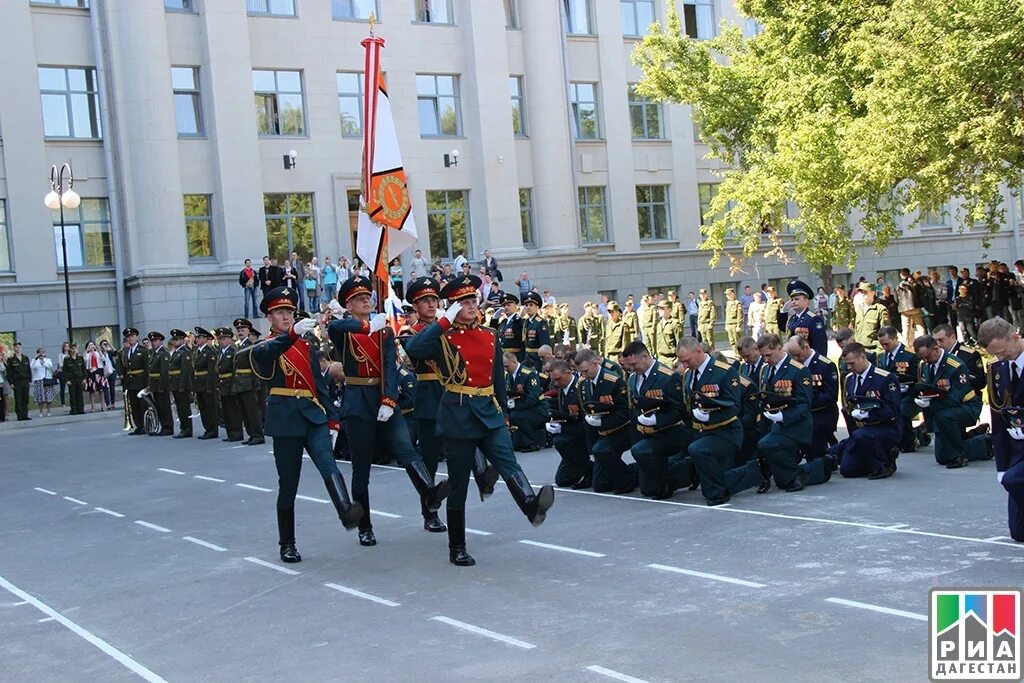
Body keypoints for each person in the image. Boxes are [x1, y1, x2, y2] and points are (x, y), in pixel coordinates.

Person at [405, 274, 555, 566]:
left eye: (473, 299)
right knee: (460, 482)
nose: (472, 305)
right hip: (458, 411)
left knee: (507, 460)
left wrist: (505, 414)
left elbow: (498, 378)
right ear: (452, 307)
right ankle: (457, 546)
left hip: (488, 408)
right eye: (463, 301)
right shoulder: (442, 336)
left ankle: (529, 504)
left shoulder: (489, 334)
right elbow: (413, 349)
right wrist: (443, 322)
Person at [327, 276, 449, 547]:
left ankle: (429, 495)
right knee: (361, 468)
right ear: (348, 304)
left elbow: (390, 367)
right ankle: (365, 525)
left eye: (367, 297)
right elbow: (336, 325)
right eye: (359, 299)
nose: (366, 301)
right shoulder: (346, 329)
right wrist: (366, 324)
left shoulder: (384, 331)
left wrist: (389, 399)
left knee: (406, 449)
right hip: (358, 402)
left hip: (383, 400)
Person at [247, 286, 364, 563]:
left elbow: (319, 384)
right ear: (269, 318)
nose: (285, 317)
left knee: (328, 462)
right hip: (285, 419)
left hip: (313, 415)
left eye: (288, 311)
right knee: (288, 483)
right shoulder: (266, 345)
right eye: (279, 313)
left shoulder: (306, 346)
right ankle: (286, 542)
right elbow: (270, 354)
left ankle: (346, 509)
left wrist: (333, 421)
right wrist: (291, 335)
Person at [677, 336, 767, 504]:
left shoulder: (724, 371)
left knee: (698, 451)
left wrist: (708, 415)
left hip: (725, 431)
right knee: (712, 474)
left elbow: (734, 406)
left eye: (687, 360)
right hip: (702, 431)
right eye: (682, 362)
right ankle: (754, 472)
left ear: (698, 351)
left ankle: (718, 495)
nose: (684, 365)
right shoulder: (689, 375)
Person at [755, 334, 836, 492]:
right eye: (763, 356)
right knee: (782, 481)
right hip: (775, 423)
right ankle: (820, 466)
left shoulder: (799, 370)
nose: (765, 360)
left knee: (766, 445)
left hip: (796, 424)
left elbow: (804, 404)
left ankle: (798, 473)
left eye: (768, 355)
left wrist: (783, 416)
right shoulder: (766, 369)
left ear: (779, 348)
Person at [622, 341, 694, 500]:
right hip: (646, 433)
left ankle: (674, 478)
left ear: (645, 357)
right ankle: (671, 476)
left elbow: (679, 410)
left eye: (634, 364)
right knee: (647, 489)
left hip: (669, 432)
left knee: (641, 451)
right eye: (629, 366)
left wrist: (656, 419)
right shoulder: (633, 378)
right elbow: (634, 409)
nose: (632, 368)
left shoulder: (667, 376)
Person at [912, 334, 992, 468]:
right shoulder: (925, 366)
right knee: (942, 457)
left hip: (966, 407)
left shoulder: (956, 366)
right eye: (922, 358)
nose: (925, 360)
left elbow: (956, 398)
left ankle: (961, 455)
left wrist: (932, 403)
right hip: (942, 411)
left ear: (936, 349)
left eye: (927, 356)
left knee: (945, 418)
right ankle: (977, 441)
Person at [977, 317, 1024, 541]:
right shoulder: (998, 369)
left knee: (1013, 480)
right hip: (1017, 449)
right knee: (1019, 532)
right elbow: (998, 419)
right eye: (995, 354)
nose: (1000, 357)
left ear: (1015, 337)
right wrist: (1001, 466)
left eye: (1003, 352)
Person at [831, 342, 902, 479]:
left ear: (862, 357)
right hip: (861, 432)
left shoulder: (885, 378)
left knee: (860, 437)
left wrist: (868, 415)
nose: (849, 367)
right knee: (847, 470)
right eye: (847, 364)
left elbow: (893, 409)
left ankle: (885, 463)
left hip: (885, 427)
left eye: (852, 363)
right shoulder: (849, 379)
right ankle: (870, 457)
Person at [574, 348, 636, 494]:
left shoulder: (613, 381)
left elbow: (625, 412)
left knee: (601, 450)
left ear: (595, 363)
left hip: (621, 430)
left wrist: (602, 423)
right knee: (600, 485)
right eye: (580, 372)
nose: (583, 375)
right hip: (601, 434)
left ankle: (628, 478)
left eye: (585, 371)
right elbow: (587, 416)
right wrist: (590, 450)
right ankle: (633, 471)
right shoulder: (583, 384)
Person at [784, 334, 839, 463]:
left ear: (806, 347)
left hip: (821, 412)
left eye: (797, 354)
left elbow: (830, 395)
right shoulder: (794, 366)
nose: (796, 358)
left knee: (813, 437)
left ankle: (821, 461)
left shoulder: (825, 365)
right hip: (803, 412)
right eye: (792, 355)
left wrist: (806, 403)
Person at [876, 325, 926, 453]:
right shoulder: (881, 357)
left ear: (895, 339)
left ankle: (908, 442)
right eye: (882, 344)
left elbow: (919, 378)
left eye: (887, 343)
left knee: (901, 412)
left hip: (908, 394)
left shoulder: (910, 355)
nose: (884, 347)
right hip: (890, 395)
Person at [545, 360, 591, 489]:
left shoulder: (580, 388)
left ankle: (589, 469)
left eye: (558, 379)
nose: (555, 383)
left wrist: (562, 428)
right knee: (562, 480)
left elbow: (583, 421)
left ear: (569, 372)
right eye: (553, 379)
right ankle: (585, 469)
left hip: (582, 434)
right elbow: (564, 414)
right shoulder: (562, 389)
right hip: (571, 432)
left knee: (560, 440)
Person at [504, 352, 548, 452]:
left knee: (516, 416)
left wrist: (515, 405)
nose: (505, 369)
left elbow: (533, 397)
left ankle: (532, 443)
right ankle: (522, 441)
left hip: (538, 408)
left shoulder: (528, 374)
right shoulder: (509, 376)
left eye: (507, 366)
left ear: (514, 362)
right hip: (522, 408)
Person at [232, 318, 265, 446]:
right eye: (239, 330)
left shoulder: (250, 346)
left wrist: (256, 383)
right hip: (240, 383)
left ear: (248, 331)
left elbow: (255, 367)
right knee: (245, 411)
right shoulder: (240, 345)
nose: (240, 332)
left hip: (248, 383)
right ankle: (251, 434)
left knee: (252, 411)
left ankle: (257, 435)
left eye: (243, 330)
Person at [118, 329, 148, 434]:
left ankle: (145, 426)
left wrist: (147, 385)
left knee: (142, 405)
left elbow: (147, 368)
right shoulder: (126, 352)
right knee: (134, 406)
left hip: (140, 381)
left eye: (132, 336)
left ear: (137, 337)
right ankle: (138, 426)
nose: (130, 338)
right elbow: (125, 368)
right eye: (128, 337)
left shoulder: (143, 351)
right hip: (130, 382)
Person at [164, 329, 193, 438]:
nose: (174, 342)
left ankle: (187, 429)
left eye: (176, 340)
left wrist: (181, 386)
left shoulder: (184, 352)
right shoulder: (176, 352)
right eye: (173, 340)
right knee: (180, 408)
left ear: (182, 340)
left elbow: (185, 371)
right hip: (175, 384)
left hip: (181, 385)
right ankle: (183, 428)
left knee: (184, 408)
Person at [786, 279, 828, 356]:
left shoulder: (814, 319)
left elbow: (820, 346)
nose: (793, 302)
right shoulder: (792, 319)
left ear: (806, 301)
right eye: (792, 299)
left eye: (797, 299)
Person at [192, 327, 219, 440]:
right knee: (202, 408)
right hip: (199, 384)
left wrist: (210, 386)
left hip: (207, 383)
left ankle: (212, 430)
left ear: (205, 338)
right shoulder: (197, 352)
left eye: (199, 337)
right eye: (196, 337)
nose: (197, 339)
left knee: (210, 408)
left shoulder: (210, 352)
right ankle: (207, 428)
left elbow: (212, 371)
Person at [146, 331, 173, 436]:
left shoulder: (164, 353)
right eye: (152, 341)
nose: (153, 343)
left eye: (156, 340)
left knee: (164, 406)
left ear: (161, 341)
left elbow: (164, 371)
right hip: (154, 384)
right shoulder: (154, 353)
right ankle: (163, 426)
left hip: (161, 384)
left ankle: (168, 427)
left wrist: (162, 386)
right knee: (159, 406)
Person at [855, 283, 889, 352]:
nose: (863, 294)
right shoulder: (859, 310)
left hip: (874, 350)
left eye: (865, 292)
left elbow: (886, 334)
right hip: (860, 350)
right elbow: (856, 331)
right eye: (861, 292)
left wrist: (879, 351)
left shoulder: (880, 310)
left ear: (873, 293)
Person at [521, 292, 551, 369]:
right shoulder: (526, 322)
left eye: (531, 305)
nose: (528, 307)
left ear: (537, 307)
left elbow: (544, 344)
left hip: (537, 360)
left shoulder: (541, 323)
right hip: (527, 359)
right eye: (526, 305)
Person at [4, 342, 31, 421]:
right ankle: (19, 415)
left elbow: (29, 370)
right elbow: (9, 372)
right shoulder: (11, 359)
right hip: (17, 381)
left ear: (21, 348)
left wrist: (30, 380)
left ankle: (25, 415)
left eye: (19, 347)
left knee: (25, 398)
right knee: (18, 399)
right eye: (16, 347)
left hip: (25, 380)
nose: (18, 348)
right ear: (14, 348)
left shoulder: (25, 358)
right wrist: (11, 383)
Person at [82, 340, 110, 413]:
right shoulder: (87, 354)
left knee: (101, 389)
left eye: (92, 345)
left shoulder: (98, 353)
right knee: (92, 390)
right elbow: (84, 360)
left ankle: (103, 406)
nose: (91, 346)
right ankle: (92, 407)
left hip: (99, 371)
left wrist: (98, 350)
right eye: (89, 345)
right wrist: (86, 351)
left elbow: (103, 359)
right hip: (91, 372)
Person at [653, 300, 682, 366]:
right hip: (660, 359)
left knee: (670, 375)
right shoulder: (659, 324)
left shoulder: (675, 324)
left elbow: (679, 342)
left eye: (662, 308)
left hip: (671, 359)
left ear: (669, 309)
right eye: (659, 308)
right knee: (661, 376)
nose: (660, 310)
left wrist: (678, 359)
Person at [30, 346, 57, 417]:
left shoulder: (48, 360)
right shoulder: (34, 360)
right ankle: (41, 411)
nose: (41, 354)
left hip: (47, 379)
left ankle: (49, 411)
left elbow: (50, 366)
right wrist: (36, 358)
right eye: (40, 352)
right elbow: (32, 367)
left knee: (48, 396)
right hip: (38, 380)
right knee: (40, 397)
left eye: (43, 352)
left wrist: (43, 361)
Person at [61, 343, 86, 416]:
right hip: (71, 380)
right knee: (72, 395)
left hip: (79, 378)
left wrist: (84, 378)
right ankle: (74, 410)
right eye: (73, 348)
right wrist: (67, 380)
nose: (74, 350)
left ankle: (81, 409)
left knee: (80, 395)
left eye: (75, 348)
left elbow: (84, 369)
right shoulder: (67, 360)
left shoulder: (80, 358)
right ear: (70, 350)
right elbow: (65, 371)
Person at [724, 288, 744, 353]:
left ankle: (740, 354)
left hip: (735, 325)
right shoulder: (728, 303)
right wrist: (726, 324)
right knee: (732, 341)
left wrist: (738, 325)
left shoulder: (737, 303)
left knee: (737, 341)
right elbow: (727, 315)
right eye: (726, 295)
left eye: (728, 295)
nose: (727, 296)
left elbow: (739, 315)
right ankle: (735, 353)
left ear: (732, 294)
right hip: (729, 325)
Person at [100, 339, 117, 408]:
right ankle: (108, 403)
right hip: (104, 372)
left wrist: (110, 345)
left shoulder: (109, 352)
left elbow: (116, 353)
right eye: (104, 344)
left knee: (112, 387)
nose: (105, 345)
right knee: (106, 388)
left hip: (112, 371)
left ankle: (112, 402)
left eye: (106, 344)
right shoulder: (100, 353)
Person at [56, 341, 69, 408]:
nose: (67, 348)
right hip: (63, 372)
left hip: (70, 372)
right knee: (62, 388)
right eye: (65, 346)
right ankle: (63, 403)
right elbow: (61, 364)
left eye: (68, 346)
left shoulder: (70, 354)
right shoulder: (61, 355)